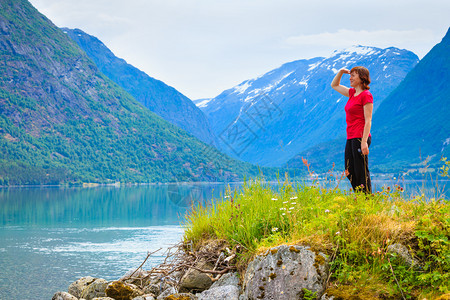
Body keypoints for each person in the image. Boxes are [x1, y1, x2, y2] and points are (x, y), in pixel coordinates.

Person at [331, 66, 373, 193]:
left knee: (361, 170)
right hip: (351, 137)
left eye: (353, 75)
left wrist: (364, 141)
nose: (350, 78)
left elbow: (368, 120)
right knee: (349, 171)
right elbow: (334, 85)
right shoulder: (352, 94)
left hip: (361, 137)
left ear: (362, 78)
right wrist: (340, 72)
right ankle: (360, 196)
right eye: (350, 75)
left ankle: (367, 199)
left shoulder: (366, 95)